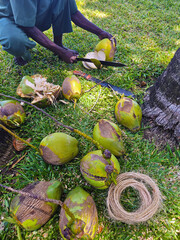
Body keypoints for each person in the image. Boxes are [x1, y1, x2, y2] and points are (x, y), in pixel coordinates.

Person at [0, 0, 116, 66]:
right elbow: (26, 26)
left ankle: (59, 43)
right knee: (14, 40)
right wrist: (61, 52)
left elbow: (72, 12)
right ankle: (22, 53)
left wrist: (100, 32)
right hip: (9, 17)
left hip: (33, 14)